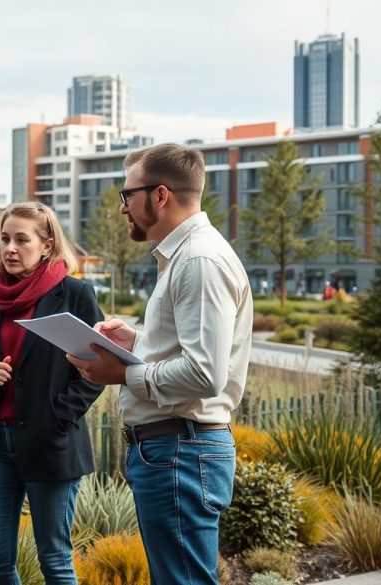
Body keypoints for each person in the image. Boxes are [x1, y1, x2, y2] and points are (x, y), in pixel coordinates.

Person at [67, 143, 253, 585]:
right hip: (174, 452)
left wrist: (124, 373)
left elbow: (206, 374)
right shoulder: (185, 256)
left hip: (180, 453)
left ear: (161, 195)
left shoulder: (198, 260)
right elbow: (190, 352)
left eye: (127, 195)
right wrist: (139, 341)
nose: (121, 208)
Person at [0, 201, 104, 584]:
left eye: (21, 239)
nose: (10, 248)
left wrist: (58, 417)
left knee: (54, 559)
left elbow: (99, 369)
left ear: (46, 244)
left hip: (50, 443)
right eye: (5, 238)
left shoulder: (74, 295)